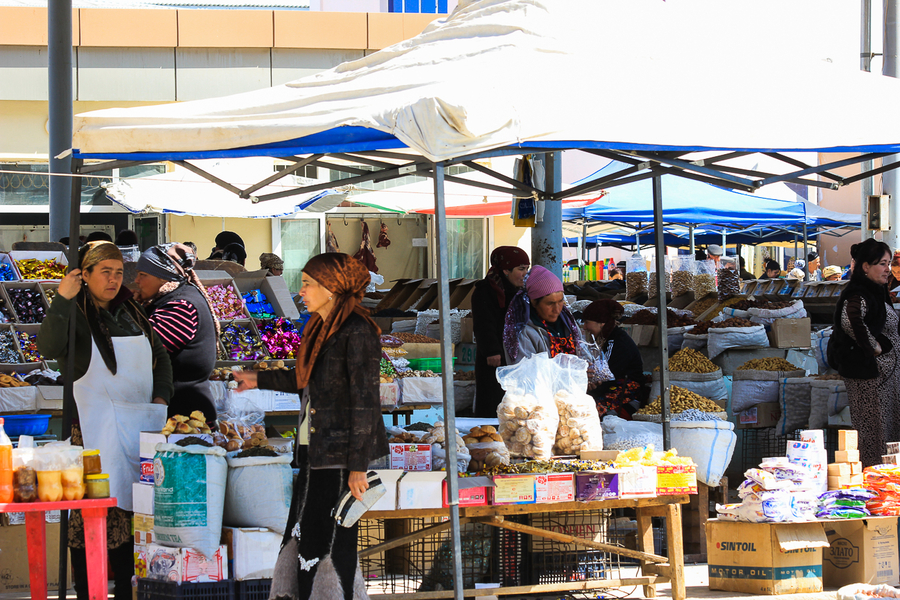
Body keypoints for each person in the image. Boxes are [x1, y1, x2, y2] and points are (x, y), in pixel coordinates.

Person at [231, 253, 388, 600]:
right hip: (315, 452)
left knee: (331, 544)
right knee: (303, 538)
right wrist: (257, 379)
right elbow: (306, 380)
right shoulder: (319, 326)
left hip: (340, 458)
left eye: (308, 284)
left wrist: (358, 467)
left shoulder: (358, 332)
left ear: (332, 288)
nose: (300, 290)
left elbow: (364, 403)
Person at [36, 241, 172, 600]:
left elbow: (160, 354)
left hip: (141, 427)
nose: (113, 280)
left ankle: (131, 589)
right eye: (105, 272)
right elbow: (48, 347)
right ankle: (87, 590)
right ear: (86, 275)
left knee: (136, 518)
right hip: (94, 433)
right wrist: (62, 299)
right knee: (91, 520)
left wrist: (161, 397)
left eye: (118, 272)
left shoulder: (131, 311)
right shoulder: (76, 314)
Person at [827, 238, 900, 467]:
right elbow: (851, 321)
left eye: (888, 263)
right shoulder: (858, 293)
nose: (887, 269)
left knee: (888, 429)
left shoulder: (877, 291)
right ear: (865, 267)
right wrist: (873, 347)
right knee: (874, 431)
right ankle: (873, 481)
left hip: (885, 379)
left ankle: (888, 482)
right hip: (869, 378)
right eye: (882, 263)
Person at [134, 244, 220, 420]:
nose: (136, 280)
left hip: (186, 417)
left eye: (143, 275)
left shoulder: (181, 307)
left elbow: (143, 350)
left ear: (163, 277)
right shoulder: (169, 299)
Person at [470, 246, 530, 417]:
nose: (525, 273)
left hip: (518, 355)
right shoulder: (484, 291)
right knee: (493, 399)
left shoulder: (520, 292)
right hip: (495, 358)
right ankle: (490, 435)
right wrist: (492, 351)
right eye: (521, 269)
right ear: (505, 270)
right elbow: (483, 324)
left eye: (527, 268)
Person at [503, 265, 581, 364]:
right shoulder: (523, 333)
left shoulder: (569, 324)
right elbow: (526, 374)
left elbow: (584, 353)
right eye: (550, 303)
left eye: (560, 301)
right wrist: (573, 371)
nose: (557, 310)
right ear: (534, 302)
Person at [581, 299, 646, 417]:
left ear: (601, 322)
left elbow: (607, 376)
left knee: (588, 412)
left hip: (627, 399)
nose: (584, 327)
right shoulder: (606, 339)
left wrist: (591, 386)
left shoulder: (617, 341)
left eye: (587, 322)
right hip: (610, 390)